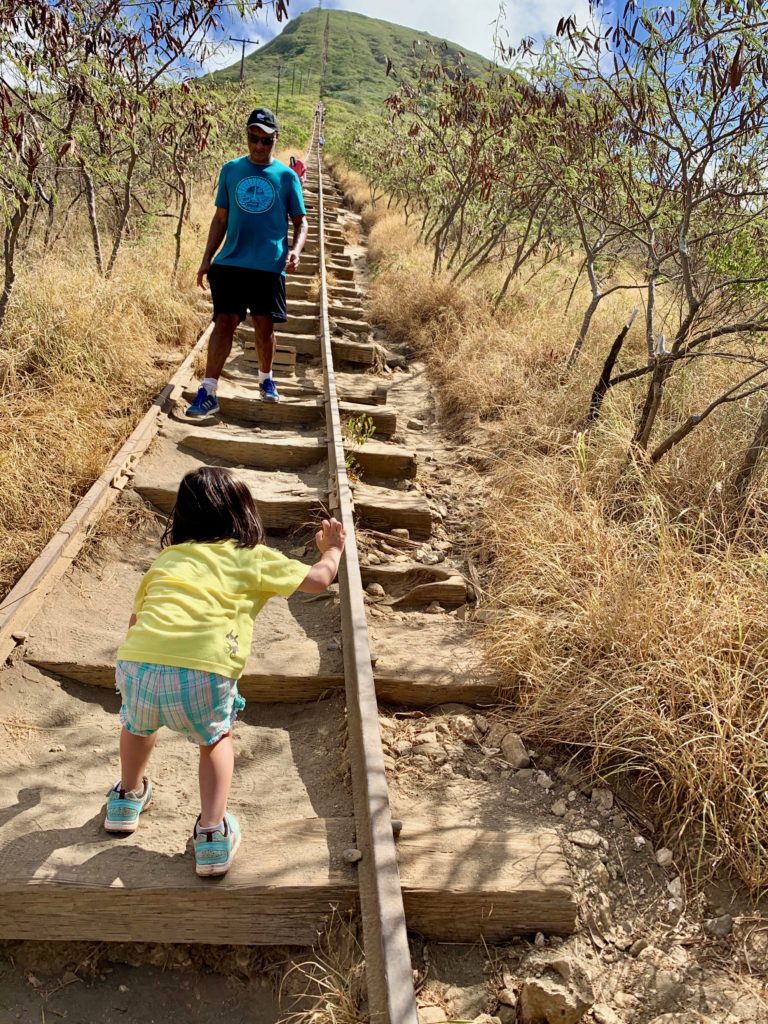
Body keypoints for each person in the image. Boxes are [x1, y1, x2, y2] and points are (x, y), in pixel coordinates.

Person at [104, 466, 347, 876]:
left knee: (137, 725)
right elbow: (318, 581)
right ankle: (212, 835)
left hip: (138, 664)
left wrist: (141, 664)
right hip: (203, 673)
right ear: (243, 514)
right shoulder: (251, 557)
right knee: (215, 739)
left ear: (181, 517)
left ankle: (126, 799)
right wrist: (332, 550)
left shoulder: (167, 559)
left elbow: (136, 621)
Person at [187, 107, 308, 416]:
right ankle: (209, 390)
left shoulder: (286, 176)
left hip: (269, 264)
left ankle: (266, 379)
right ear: (248, 136)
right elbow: (220, 218)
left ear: (275, 140)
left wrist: (295, 250)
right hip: (231, 262)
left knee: (264, 326)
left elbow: (300, 222)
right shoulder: (231, 170)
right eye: (253, 138)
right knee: (224, 321)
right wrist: (207, 258)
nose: (258, 146)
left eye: (265, 141)